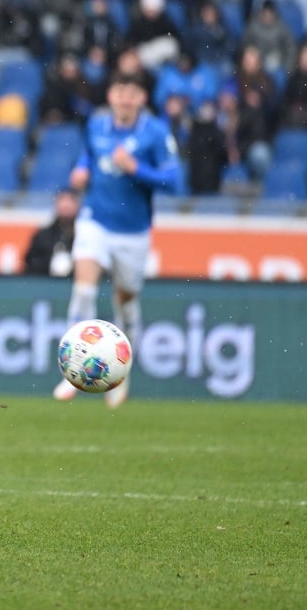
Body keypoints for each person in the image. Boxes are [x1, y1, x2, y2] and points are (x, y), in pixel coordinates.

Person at [52, 71, 182, 409]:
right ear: (111, 95)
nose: (125, 98)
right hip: (96, 219)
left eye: (132, 92)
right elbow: (87, 157)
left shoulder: (154, 132)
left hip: (133, 232)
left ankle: (120, 375)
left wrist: (136, 168)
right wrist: (81, 171)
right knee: (83, 288)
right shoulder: (96, 125)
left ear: (142, 98)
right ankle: (73, 371)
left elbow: (174, 180)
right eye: (120, 91)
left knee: (125, 302)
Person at [23, 189, 78, 277]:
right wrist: (49, 263)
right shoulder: (42, 236)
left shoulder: (84, 237)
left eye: (70, 201)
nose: (66, 205)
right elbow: (30, 263)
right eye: (62, 200)